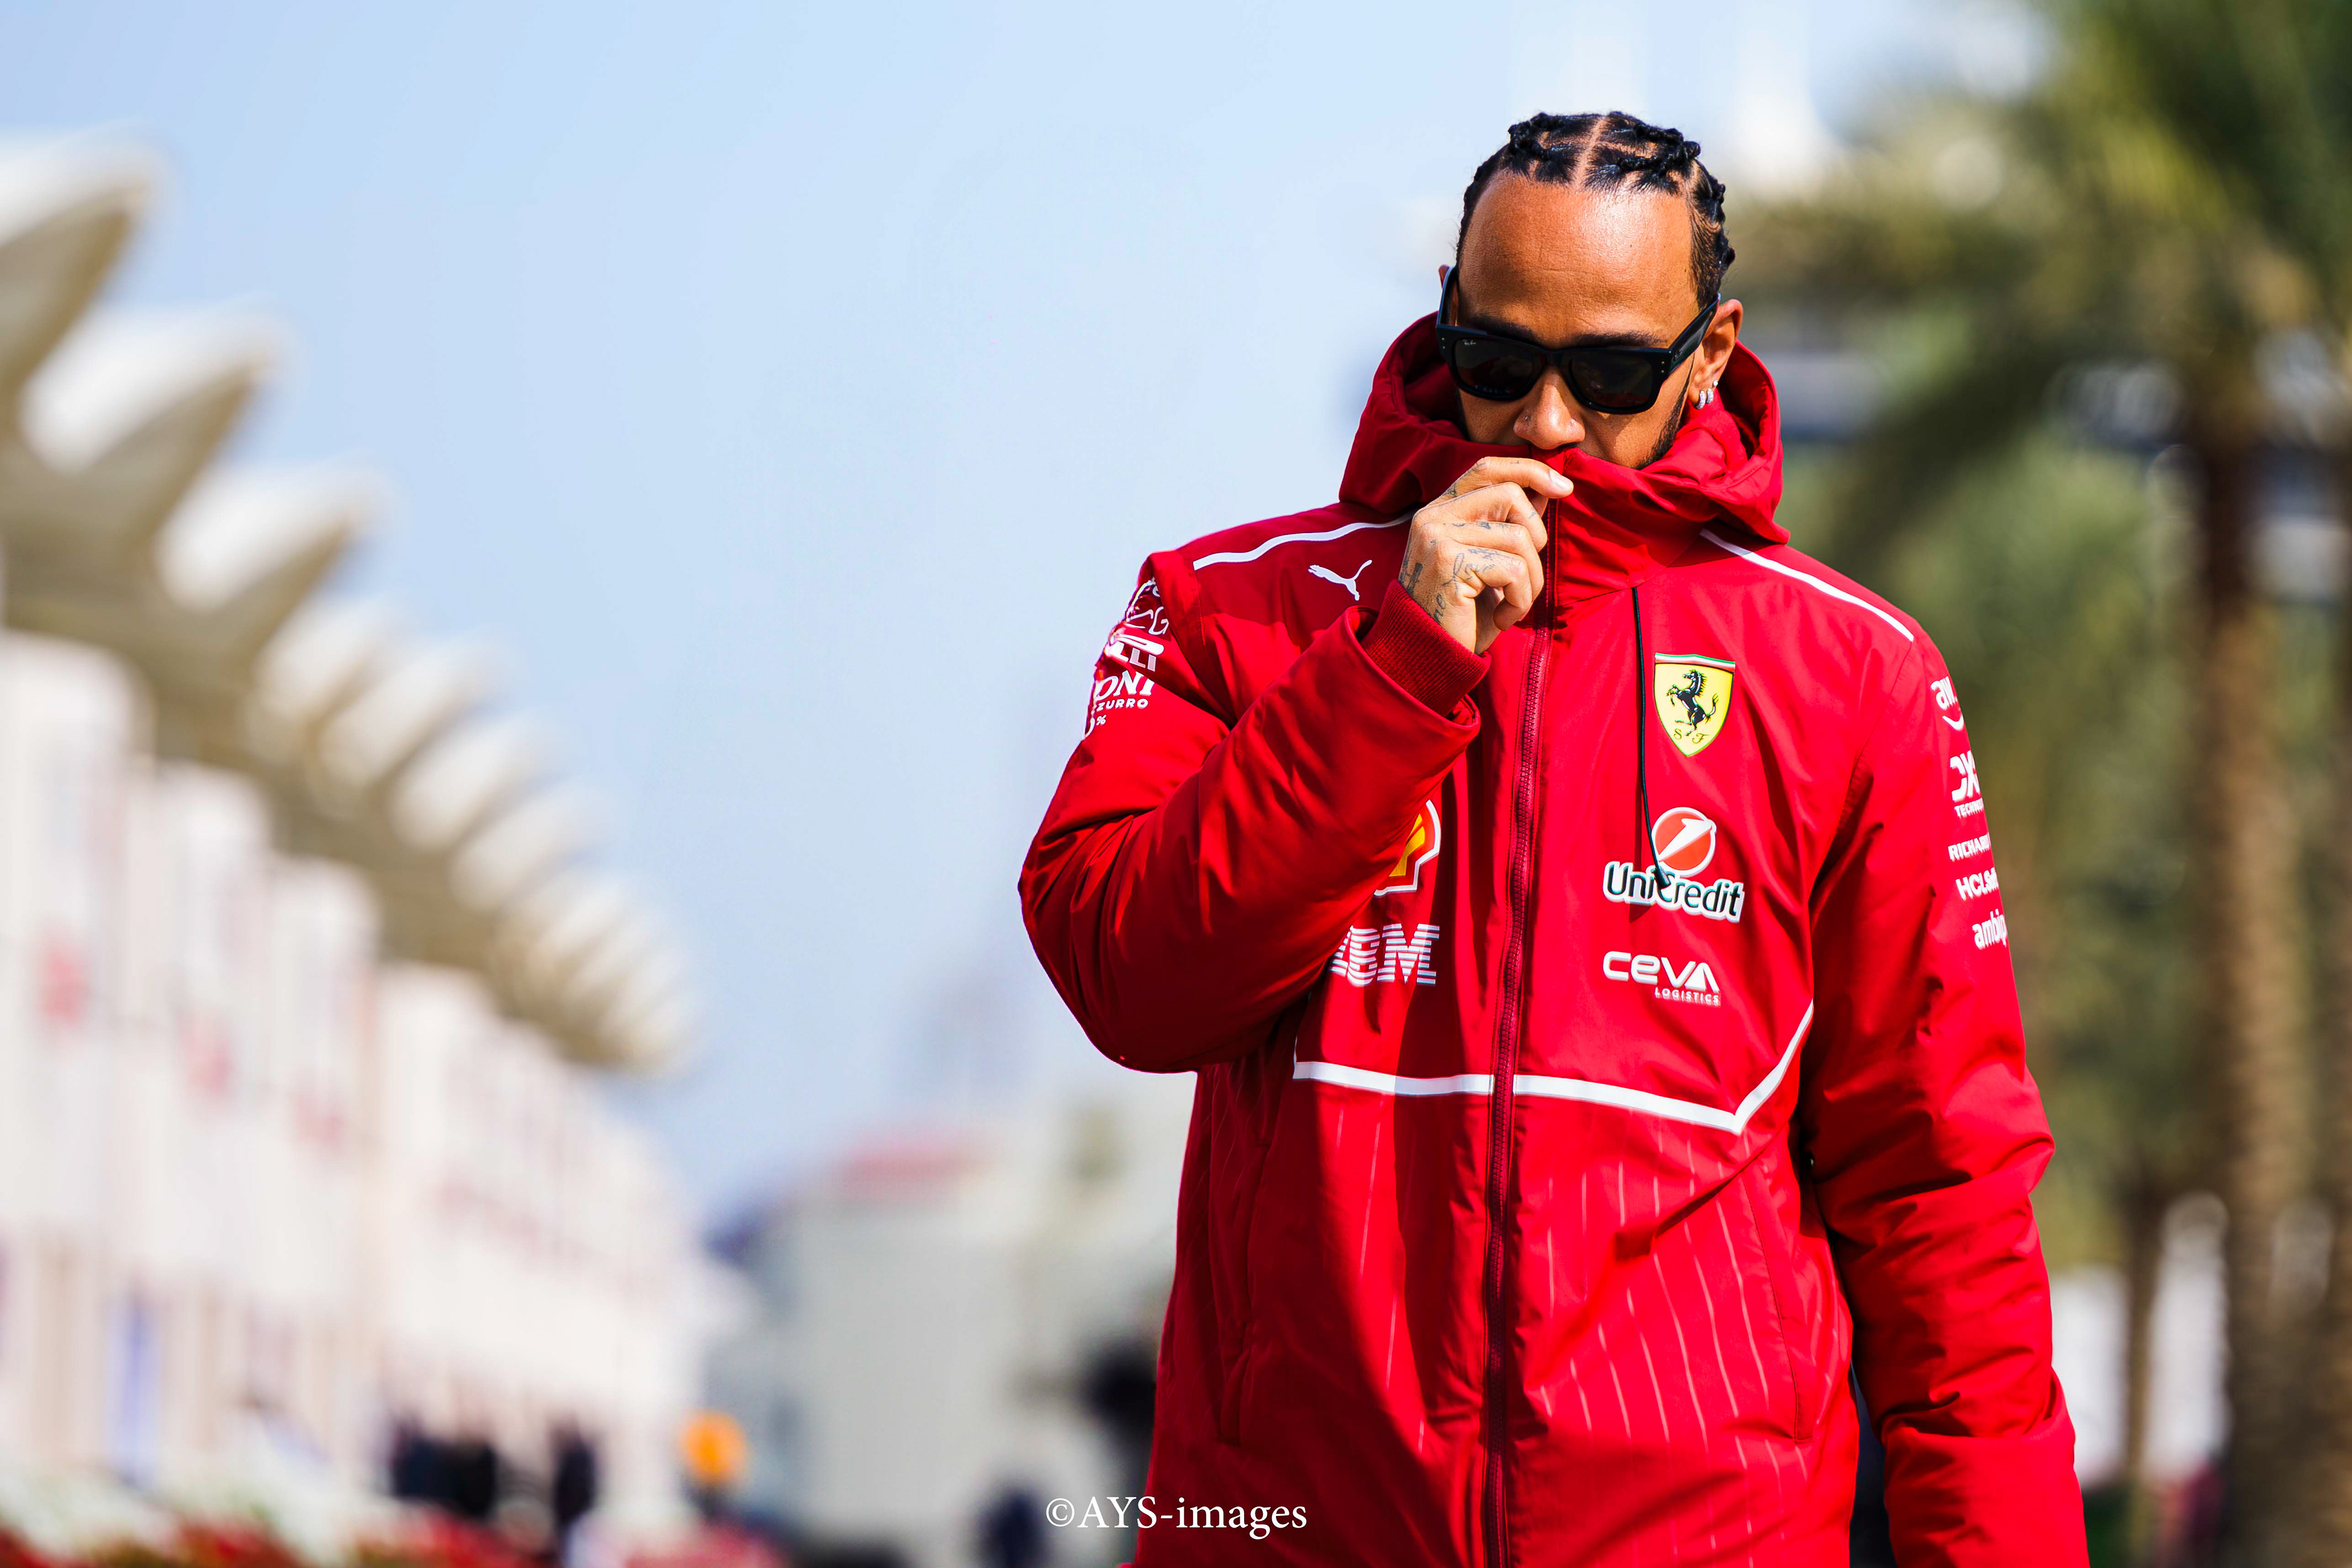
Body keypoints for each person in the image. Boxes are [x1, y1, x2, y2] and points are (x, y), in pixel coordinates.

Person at [1021, 111, 2084, 1566]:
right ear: (1442, 319)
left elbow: (1945, 1198)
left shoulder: (1856, 674)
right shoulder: (1230, 607)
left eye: (1614, 375)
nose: (1547, 425)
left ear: (1709, 355)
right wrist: (1394, 668)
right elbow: (1132, 981)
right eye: (1498, 361)